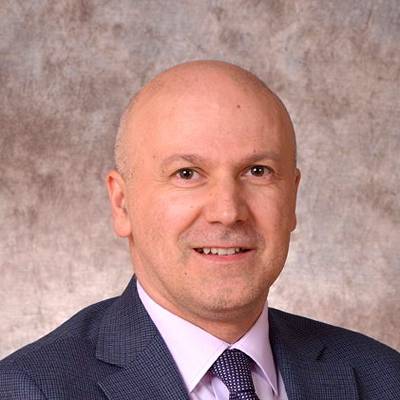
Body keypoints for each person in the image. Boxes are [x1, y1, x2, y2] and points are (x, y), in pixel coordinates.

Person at [0, 60, 399, 400]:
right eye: (187, 174)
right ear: (122, 204)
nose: (227, 212)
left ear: (292, 198)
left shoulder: (384, 378)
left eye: (257, 171)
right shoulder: (29, 389)